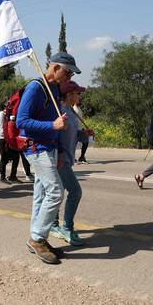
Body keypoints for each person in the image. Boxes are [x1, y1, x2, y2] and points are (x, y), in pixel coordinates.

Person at [17, 52, 80, 265]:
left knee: (41, 194)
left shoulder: (54, 89)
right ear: (55, 68)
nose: (69, 77)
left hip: (50, 148)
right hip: (36, 148)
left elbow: (56, 124)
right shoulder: (36, 87)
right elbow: (21, 121)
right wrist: (51, 126)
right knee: (55, 191)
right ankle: (37, 238)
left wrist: (60, 150)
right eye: (68, 72)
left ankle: (36, 237)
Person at [50, 81, 88, 246]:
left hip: (68, 159)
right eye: (77, 93)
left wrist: (83, 134)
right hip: (60, 160)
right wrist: (58, 156)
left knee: (58, 191)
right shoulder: (59, 111)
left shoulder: (72, 112)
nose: (79, 96)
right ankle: (67, 227)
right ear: (69, 94)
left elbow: (73, 134)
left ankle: (52, 224)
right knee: (75, 191)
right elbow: (53, 135)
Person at [0, 106, 22, 185]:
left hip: (10, 138)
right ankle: (2, 177)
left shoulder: (12, 114)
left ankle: (13, 176)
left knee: (16, 157)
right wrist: (11, 122)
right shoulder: (2, 114)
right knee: (4, 158)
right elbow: (1, 127)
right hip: (2, 138)